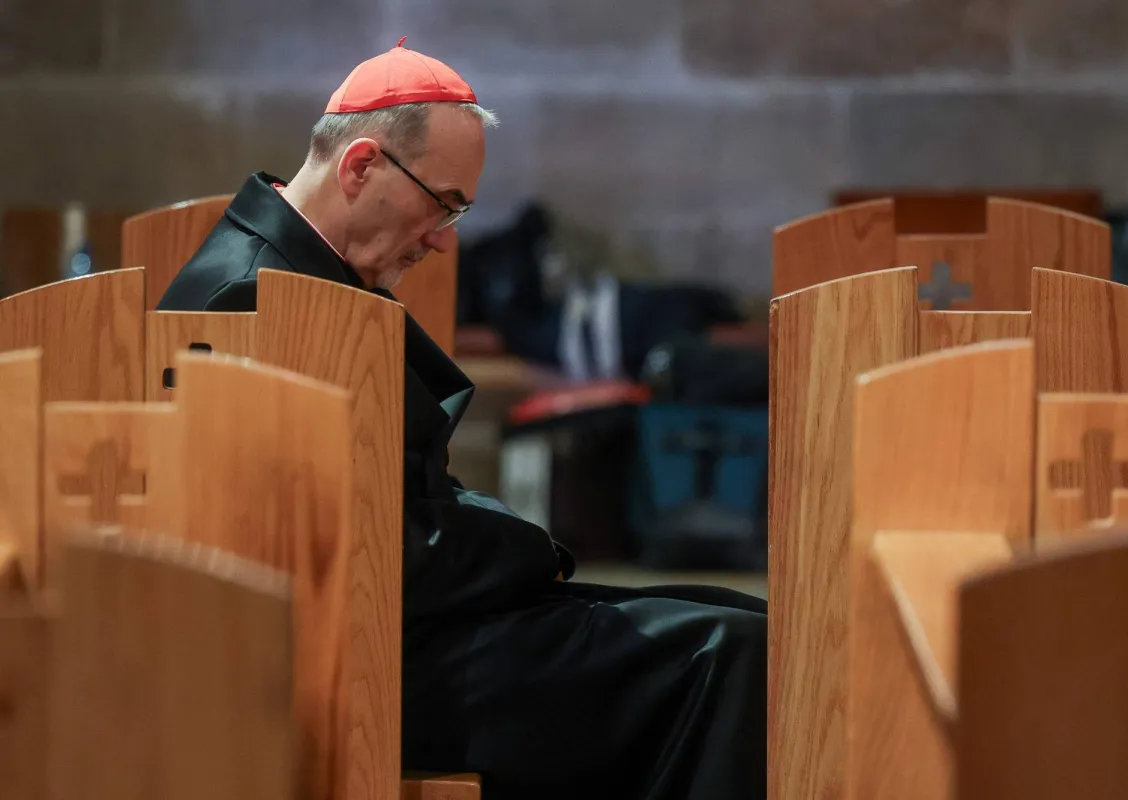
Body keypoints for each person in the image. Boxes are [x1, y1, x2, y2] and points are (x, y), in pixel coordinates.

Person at [157, 39, 766, 800]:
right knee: (729, 655)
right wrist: (520, 546)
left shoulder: (304, 271)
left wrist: (504, 544)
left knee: (734, 619)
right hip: (345, 662)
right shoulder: (250, 298)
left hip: (400, 623)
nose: (445, 239)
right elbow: (319, 542)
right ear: (360, 166)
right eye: (443, 204)